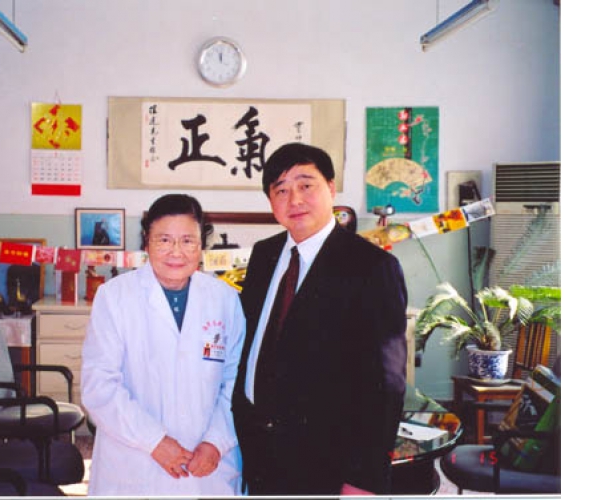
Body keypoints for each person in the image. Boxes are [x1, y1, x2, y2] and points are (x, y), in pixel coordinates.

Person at [232, 142, 408, 495]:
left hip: (325, 458)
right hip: (255, 448)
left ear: (330, 188)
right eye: (281, 190)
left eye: (305, 185)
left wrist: (364, 478)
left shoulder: (371, 266)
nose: (294, 200)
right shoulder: (265, 255)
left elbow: (386, 385)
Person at [81, 194, 245, 496]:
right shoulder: (114, 297)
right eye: (164, 240)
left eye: (188, 241)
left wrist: (216, 442)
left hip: (206, 464)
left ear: (201, 246)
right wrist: (154, 441)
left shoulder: (225, 299)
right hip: (135, 461)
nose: (176, 252)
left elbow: (235, 382)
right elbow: (99, 386)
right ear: (147, 242)